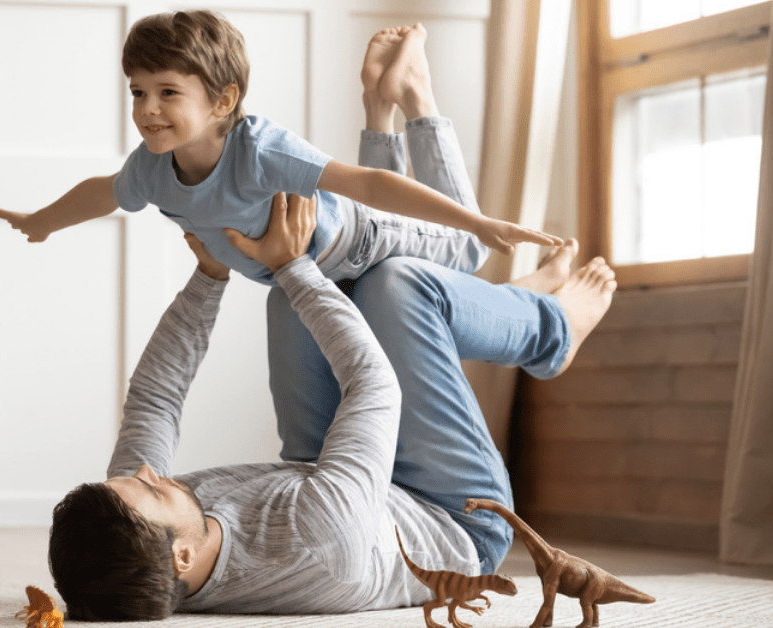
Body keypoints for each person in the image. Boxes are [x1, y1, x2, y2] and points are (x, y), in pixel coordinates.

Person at [44, 22, 617, 621]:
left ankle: (497, 296)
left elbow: (156, 397)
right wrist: (291, 266)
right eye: (151, 486)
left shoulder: (134, 521)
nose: (147, 471)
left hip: (325, 471)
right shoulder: (320, 542)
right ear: (181, 557)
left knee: (301, 294)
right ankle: (551, 329)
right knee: (395, 284)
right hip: (452, 513)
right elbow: (374, 387)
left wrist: (211, 275)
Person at [0, 13, 561, 288]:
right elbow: (105, 193)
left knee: (469, 252)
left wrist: (477, 222)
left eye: (168, 93)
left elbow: (365, 184)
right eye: (138, 92)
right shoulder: (151, 168)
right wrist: (44, 222)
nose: (147, 109)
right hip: (317, 270)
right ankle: (380, 103)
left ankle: (415, 96)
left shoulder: (259, 150)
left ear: (223, 100)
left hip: (358, 240)